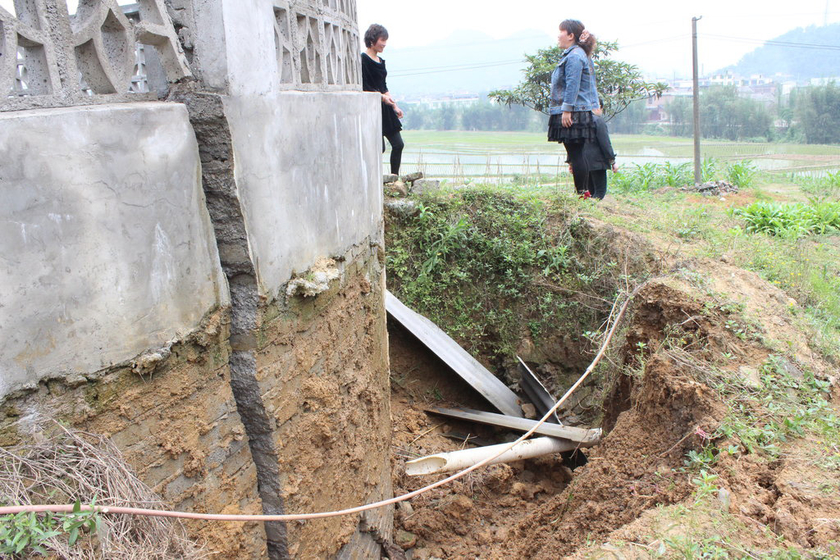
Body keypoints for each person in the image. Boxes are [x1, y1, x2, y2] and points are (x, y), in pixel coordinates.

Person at [548, 19, 600, 195]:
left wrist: (566, 110)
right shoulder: (576, 54)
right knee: (575, 152)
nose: (558, 35)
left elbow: (573, 84)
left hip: (574, 111)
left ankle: (582, 192)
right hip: (575, 110)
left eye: (561, 31)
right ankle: (583, 192)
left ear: (570, 36)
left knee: (576, 153)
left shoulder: (575, 56)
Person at [361, 23, 404, 176]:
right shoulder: (362, 60)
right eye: (382, 40)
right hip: (371, 109)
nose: (385, 44)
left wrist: (394, 106)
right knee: (379, 148)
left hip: (385, 109)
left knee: (398, 144)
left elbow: (384, 86)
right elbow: (364, 88)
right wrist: (382, 98)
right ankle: (374, 179)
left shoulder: (381, 61)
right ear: (372, 40)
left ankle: (394, 178)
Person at [569, 102, 618, 200]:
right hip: (597, 162)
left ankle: (586, 211)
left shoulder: (576, 121)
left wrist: (571, 162)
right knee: (600, 192)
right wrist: (612, 161)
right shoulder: (598, 121)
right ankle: (592, 211)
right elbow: (605, 143)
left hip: (581, 163)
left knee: (587, 192)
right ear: (598, 106)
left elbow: (571, 143)